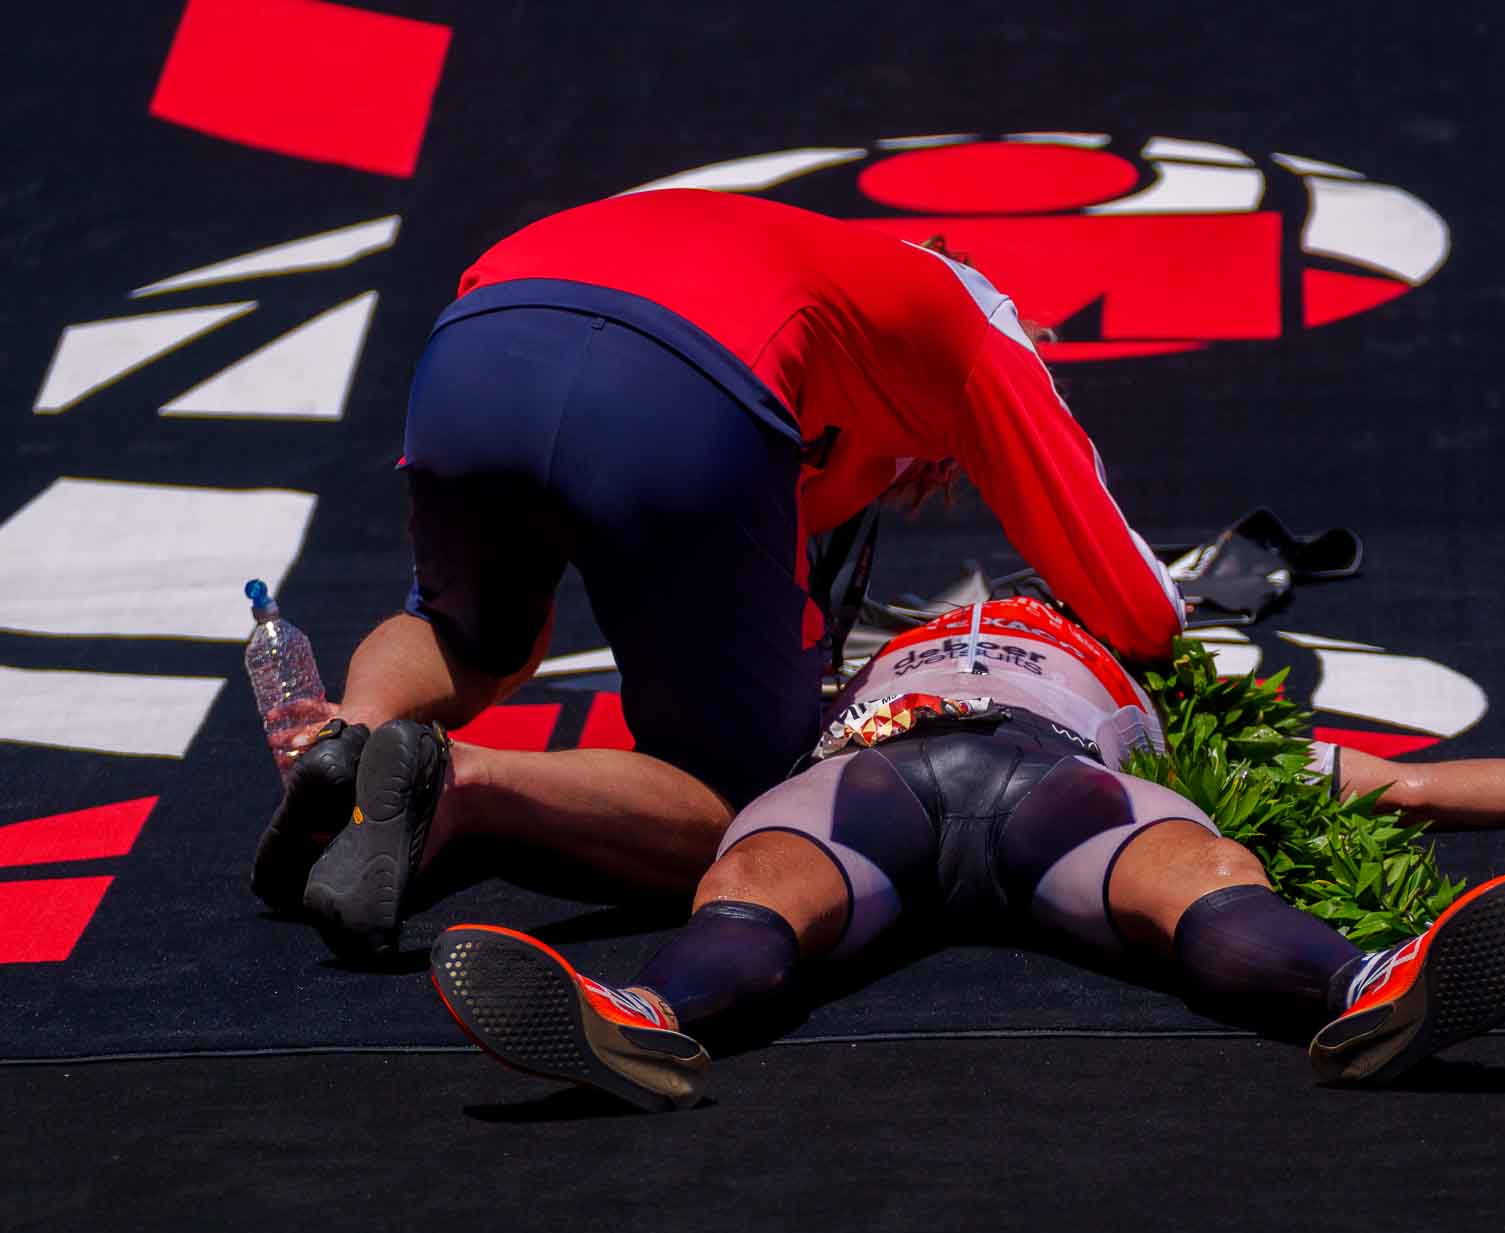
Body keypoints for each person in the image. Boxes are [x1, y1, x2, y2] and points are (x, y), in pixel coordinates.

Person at [250, 189, 1185, 957]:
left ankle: (350, 733)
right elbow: (1139, 608)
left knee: (468, 635)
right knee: (745, 803)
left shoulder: (800, 258)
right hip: (681, 382)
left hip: (484, 330)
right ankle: (458, 780)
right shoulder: (971, 316)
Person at [425, 596, 1505, 1107]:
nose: (1021, 593)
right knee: (754, 878)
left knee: (1199, 871)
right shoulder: (836, 663)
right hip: (869, 778)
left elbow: (1403, 786)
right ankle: (638, 1015)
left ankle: (1366, 986)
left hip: (1048, 788)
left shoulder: (1157, 693)